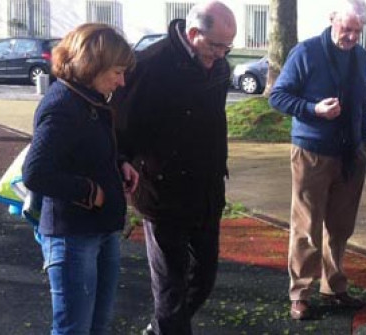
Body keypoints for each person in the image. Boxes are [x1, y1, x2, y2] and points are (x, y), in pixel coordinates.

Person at [112, 2, 236, 334]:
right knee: (171, 289)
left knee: (204, 277)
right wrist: (122, 159)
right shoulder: (151, 65)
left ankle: (159, 328)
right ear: (194, 34)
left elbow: (214, 122)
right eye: (216, 46)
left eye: (228, 47)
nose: (222, 54)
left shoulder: (219, 65)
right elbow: (120, 123)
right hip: (161, 190)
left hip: (207, 190)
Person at [22, 23, 138, 335]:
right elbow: (35, 172)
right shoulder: (63, 105)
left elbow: (89, 150)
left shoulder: (90, 99)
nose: (122, 80)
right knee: (74, 329)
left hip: (102, 230)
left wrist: (120, 163)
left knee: (97, 326)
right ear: (92, 64)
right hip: (72, 235)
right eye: (117, 71)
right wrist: (91, 193)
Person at [269, 0, 366, 321]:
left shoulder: (361, 56)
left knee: (340, 226)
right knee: (307, 227)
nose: (352, 36)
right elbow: (278, 95)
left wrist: (363, 142)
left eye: (358, 30)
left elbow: (362, 104)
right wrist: (315, 109)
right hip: (312, 151)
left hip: (350, 153)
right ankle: (300, 293)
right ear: (331, 20)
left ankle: (334, 285)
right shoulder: (306, 52)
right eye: (346, 28)